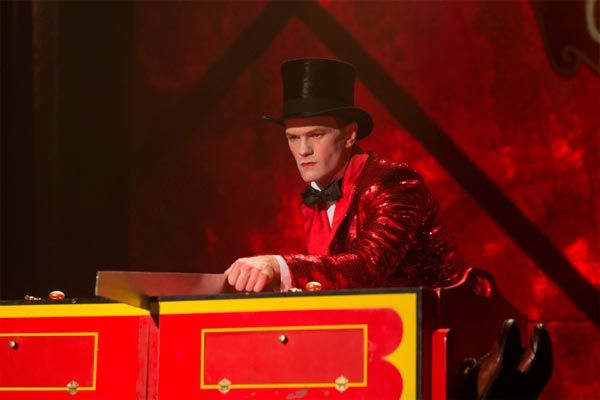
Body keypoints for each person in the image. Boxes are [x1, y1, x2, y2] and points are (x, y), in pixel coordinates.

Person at [225, 58, 465, 293]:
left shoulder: (395, 183)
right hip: (377, 315)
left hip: (445, 315)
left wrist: (279, 266)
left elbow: (369, 266)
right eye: (293, 137)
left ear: (350, 135)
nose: (303, 150)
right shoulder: (317, 192)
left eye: (316, 135)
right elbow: (329, 279)